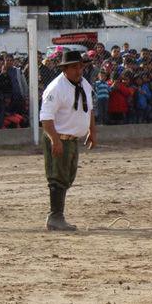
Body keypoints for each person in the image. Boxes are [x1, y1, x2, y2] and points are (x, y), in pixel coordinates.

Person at [39, 50, 96, 231]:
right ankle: (55, 216)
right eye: (74, 67)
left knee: (67, 176)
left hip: (72, 140)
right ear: (65, 69)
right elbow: (46, 118)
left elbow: (89, 109)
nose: (79, 71)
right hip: (59, 137)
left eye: (80, 67)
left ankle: (57, 216)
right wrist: (55, 140)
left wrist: (91, 131)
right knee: (57, 177)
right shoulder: (56, 88)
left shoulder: (84, 84)